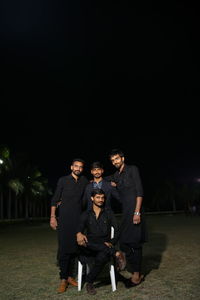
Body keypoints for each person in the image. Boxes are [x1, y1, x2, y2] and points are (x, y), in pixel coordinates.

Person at [108, 149, 147, 288]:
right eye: (112, 161)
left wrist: (137, 212)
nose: (114, 162)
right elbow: (105, 180)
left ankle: (137, 274)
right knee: (124, 242)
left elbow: (139, 191)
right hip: (125, 212)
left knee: (135, 243)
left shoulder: (132, 170)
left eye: (116, 159)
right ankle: (123, 258)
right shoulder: (115, 176)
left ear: (123, 158)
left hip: (135, 210)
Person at [77, 188, 126, 295]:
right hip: (89, 246)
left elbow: (117, 230)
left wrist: (112, 242)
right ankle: (116, 253)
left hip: (105, 246)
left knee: (103, 255)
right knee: (85, 242)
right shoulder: (86, 214)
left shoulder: (109, 213)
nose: (100, 200)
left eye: (102, 198)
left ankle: (89, 282)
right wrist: (79, 233)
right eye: (98, 197)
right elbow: (79, 228)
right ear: (92, 198)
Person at [50, 158, 88, 293]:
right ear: (71, 167)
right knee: (64, 249)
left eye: (80, 167)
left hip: (78, 220)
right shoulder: (63, 180)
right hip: (65, 220)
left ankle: (70, 277)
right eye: (76, 166)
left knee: (75, 249)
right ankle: (63, 279)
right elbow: (55, 199)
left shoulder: (84, 181)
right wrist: (53, 217)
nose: (78, 168)